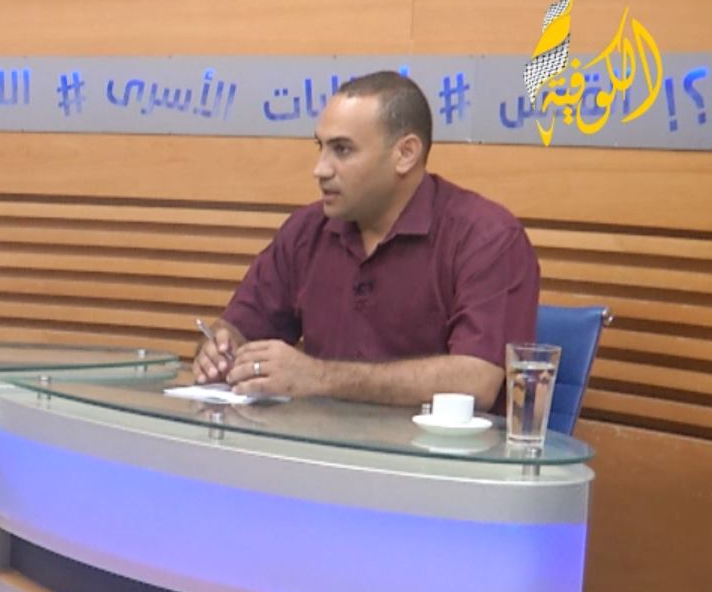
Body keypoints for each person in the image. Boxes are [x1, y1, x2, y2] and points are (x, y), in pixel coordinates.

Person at [195, 71, 537, 411]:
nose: (320, 169)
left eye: (342, 150)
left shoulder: (487, 237)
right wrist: (221, 350)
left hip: (436, 446)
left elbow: (476, 382)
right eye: (321, 147)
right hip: (318, 440)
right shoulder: (306, 230)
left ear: (405, 154)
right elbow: (239, 329)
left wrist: (319, 377)